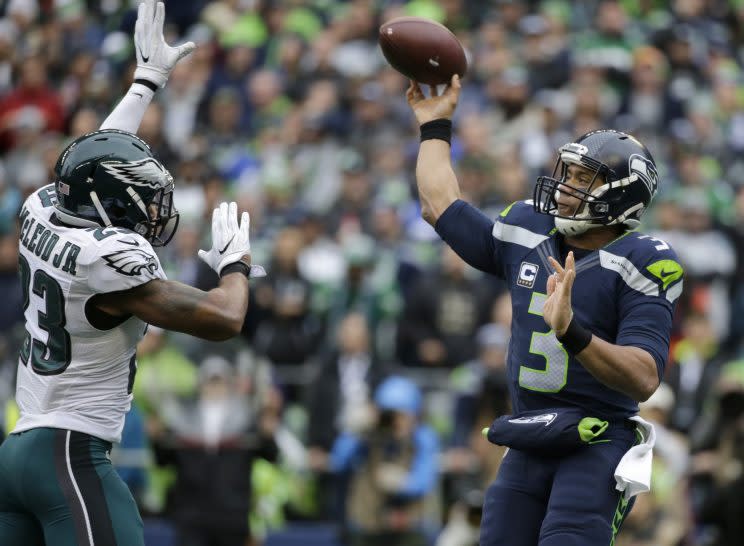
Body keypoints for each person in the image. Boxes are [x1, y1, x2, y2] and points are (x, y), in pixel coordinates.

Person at [0, 2, 265, 545]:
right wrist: (236, 264)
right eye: (141, 201)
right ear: (107, 206)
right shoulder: (110, 258)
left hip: (18, 452)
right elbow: (223, 319)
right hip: (70, 456)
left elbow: (90, 159)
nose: (149, 213)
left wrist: (144, 83)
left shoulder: (43, 206)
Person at [406, 75, 684, 546]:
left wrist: (571, 331)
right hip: (530, 436)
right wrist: (436, 127)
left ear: (620, 196)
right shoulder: (527, 230)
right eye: (568, 174)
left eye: (582, 179)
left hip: (599, 441)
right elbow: (440, 206)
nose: (563, 187)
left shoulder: (644, 260)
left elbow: (644, 376)